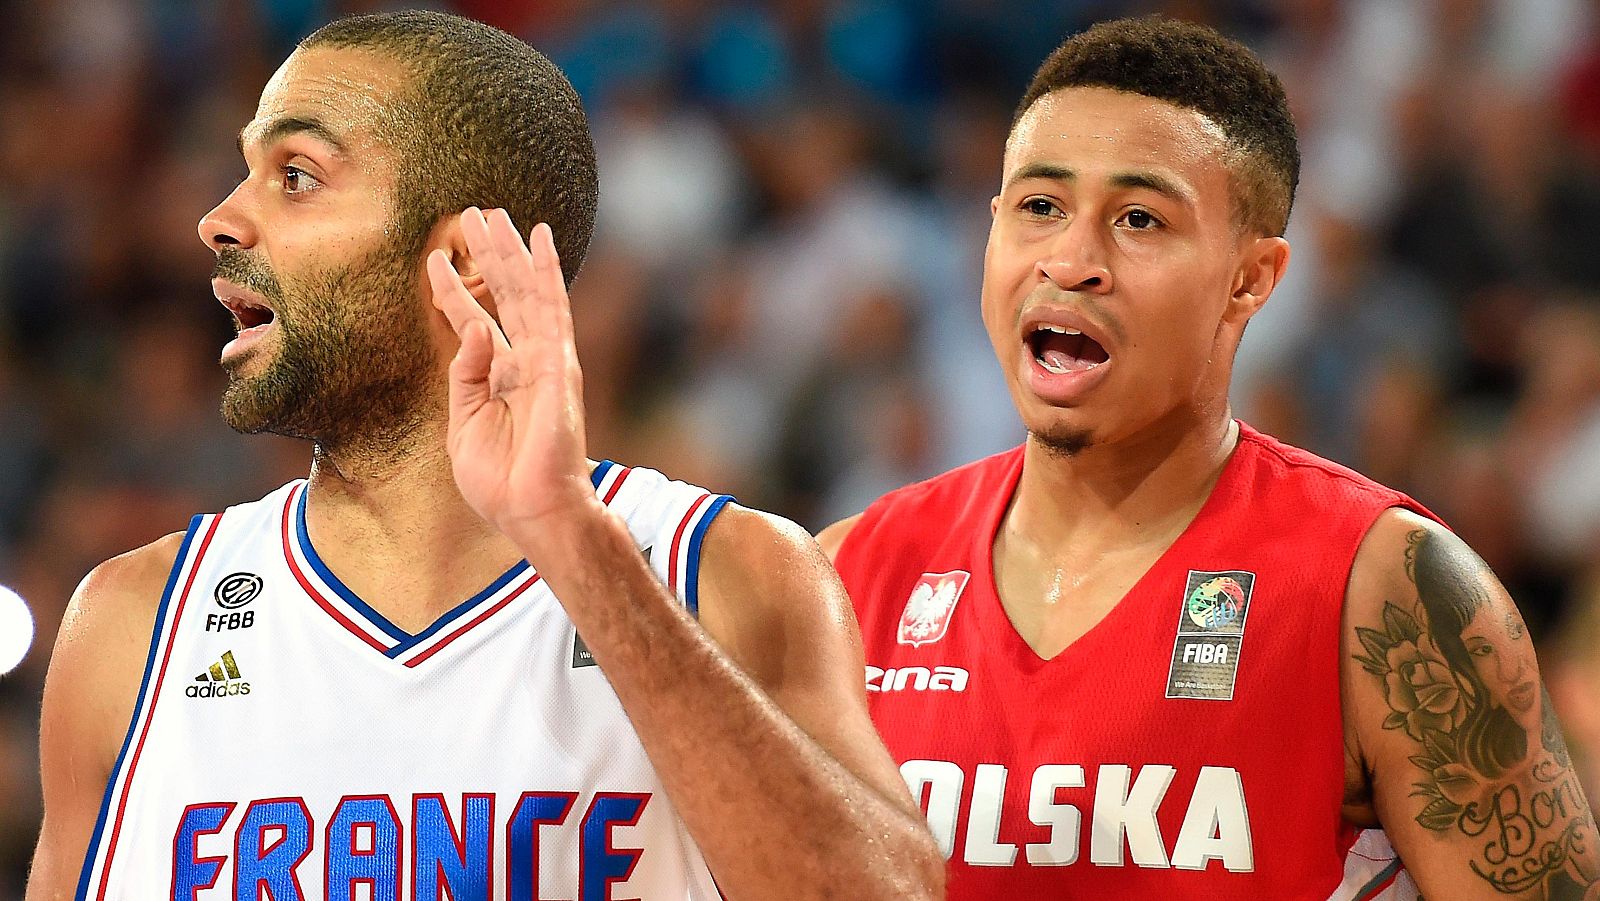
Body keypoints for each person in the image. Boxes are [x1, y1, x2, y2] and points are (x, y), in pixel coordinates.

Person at [25, 11, 944, 901]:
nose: (218, 219)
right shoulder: (134, 626)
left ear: (464, 257)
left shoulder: (724, 575)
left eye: (296, 176)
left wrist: (573, 543)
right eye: (246, 171)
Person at [817, 17, 1600, 900]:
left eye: (1139, 219)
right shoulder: (847, 579)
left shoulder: (1390, 593)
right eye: (1039, 207)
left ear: (1251, 278)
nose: (1070, 261)